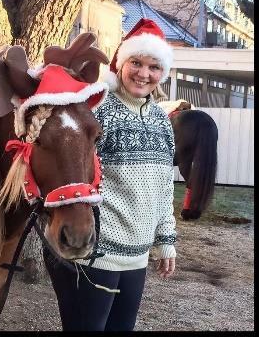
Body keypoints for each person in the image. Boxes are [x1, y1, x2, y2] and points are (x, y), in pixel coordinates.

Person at [43, 18, 177, 331]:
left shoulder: (161, 120)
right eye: (136, 62)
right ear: (120, 62)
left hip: (137, 256)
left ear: (163, 73)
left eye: (153, 67)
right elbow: (68, 169)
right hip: (93, 252)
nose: (143, 74)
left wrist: (166, 239)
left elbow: (165, 186)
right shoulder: (95, 110)